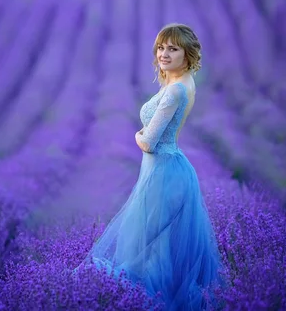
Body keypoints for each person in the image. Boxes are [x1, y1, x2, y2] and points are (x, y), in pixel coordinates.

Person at [74, 23, 225, 310]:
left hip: (163, 173)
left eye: (173, 49)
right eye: (160, 47)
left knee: (140, 249)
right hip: (171, 169)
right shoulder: (182, 81)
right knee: (156, 251)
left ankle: (121, 299)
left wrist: (136, 134)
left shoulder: (175, 91)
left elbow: (150, 142)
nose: (164, 54)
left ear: (187, 53)